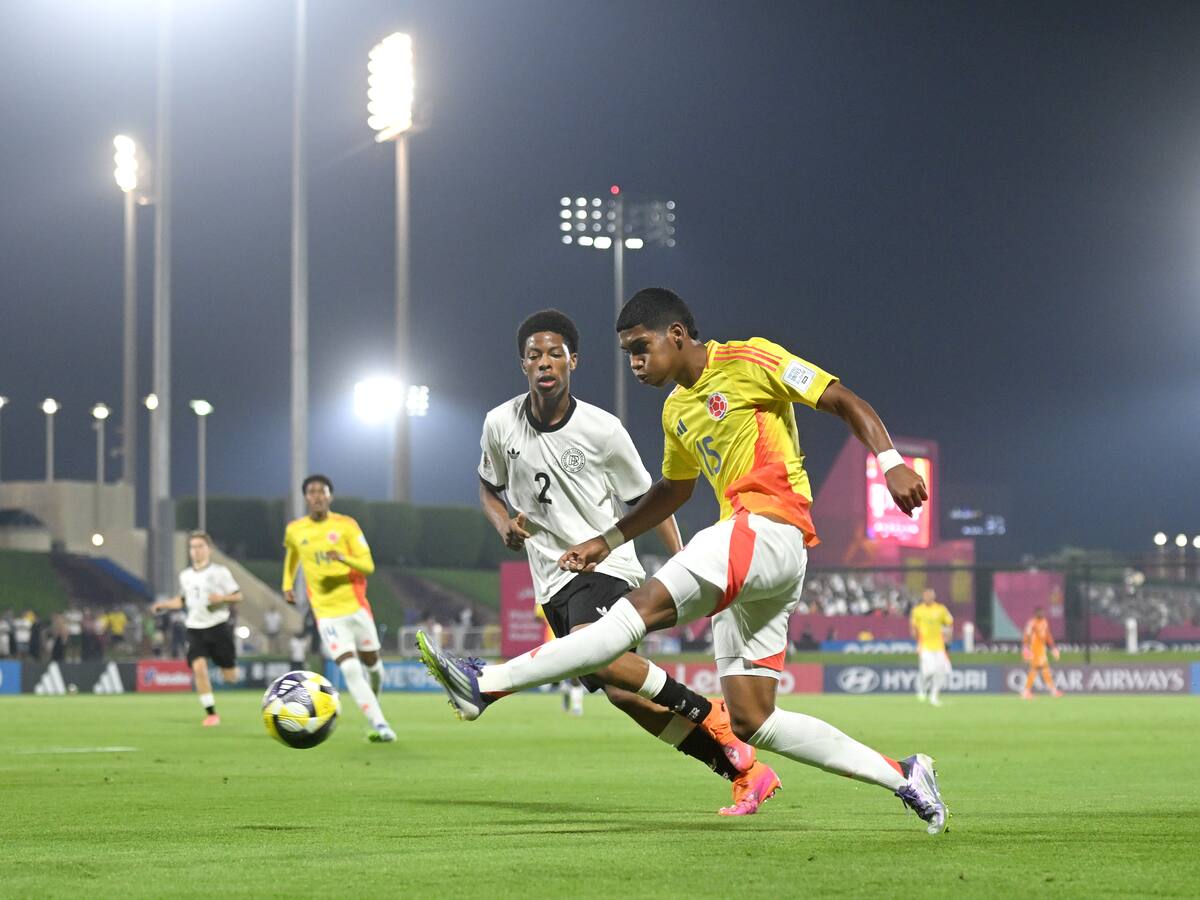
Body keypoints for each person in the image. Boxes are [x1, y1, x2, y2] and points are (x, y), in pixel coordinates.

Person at [420, 288, 948, 835]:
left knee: (628, 616)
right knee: (754, 719)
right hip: (757, 559)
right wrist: (607, 539)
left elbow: (842, 399)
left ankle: (487, 684)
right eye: (627, 352)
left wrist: (890, 463)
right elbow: (673, 491)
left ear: (676, 334)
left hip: (766, 527)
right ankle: (904, 774)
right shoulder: (676, 410)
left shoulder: (750, 359)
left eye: (641, 347)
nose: (635, 363)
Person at [468, 308, 774, 815]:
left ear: (573, 361)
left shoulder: (603, 430)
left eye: (554, 354)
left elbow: (651, 499)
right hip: (552, 584)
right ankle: (744, 772)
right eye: (534, 355)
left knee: (603, 654)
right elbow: (487, 486)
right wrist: (504, 525)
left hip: (607, 568)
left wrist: (686, 563)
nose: (545, 362)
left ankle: (711, 713)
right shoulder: (499, 424)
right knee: (625, 696)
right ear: (523, 365)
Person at [283, 474, 396, 743]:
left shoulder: (346, 526)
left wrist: (342, 558)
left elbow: (368, 566)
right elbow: (293, 555)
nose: (317, 496)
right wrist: (287, 583)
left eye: (321, 491)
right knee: (349, 668)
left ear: (330, 496)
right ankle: (379, 723)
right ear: (306, 497)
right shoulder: (295, 530)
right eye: (311, 492)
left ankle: (374, 704)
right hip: (327, 613)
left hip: (356, 607)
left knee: (375, 669)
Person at [151, 531, 243, 726]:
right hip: (195, 628)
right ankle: (211, 714)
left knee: (231, 677)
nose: (196, 550)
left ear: (208, 549)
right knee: (198, 668)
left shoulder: (220, 572)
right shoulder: (185, 575)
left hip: (218, 627)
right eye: (193, 547)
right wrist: (163, 605)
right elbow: (183, 600)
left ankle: (227, 669)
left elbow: (238, 596)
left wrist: (222, 599)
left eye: (200, 546)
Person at [909, 588, 953, 706]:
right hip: (925, 646)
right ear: (923, 597)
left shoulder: (941, 609)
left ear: (934, 597)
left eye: (930, 595)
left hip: (939, 646)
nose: (928, 597)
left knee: (940, 672)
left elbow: (949, 623)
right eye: (926, 596)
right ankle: (922, 688)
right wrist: (916, 640)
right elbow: (913, 627)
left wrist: (948, 638)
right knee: (929, 672)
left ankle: (934, 696)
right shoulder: (917, 610)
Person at [1021, 606, 1062, 699]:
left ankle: (1052, 691)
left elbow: (1048, 635)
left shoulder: (1044, 622)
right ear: (1035, 614)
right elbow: (1026, 635)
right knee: (1037, 669)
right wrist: (1025, 648)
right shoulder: (1032, 623)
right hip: (1034, 650)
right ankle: (1026, 692)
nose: (1042, 614)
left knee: (1042, 669)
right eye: (1040, 613)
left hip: (1042, 650)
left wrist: (1053, 647)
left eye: (1042, 612)